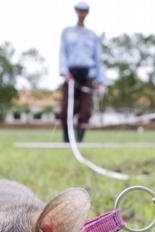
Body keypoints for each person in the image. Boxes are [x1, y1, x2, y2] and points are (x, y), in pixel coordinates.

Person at [59, 1, 105, 143]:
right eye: (79, 10)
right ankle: (67, 141)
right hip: (71, 75)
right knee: (67, 108)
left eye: (84, 11)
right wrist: (64, 72)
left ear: (87, 13)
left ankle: (79, 141)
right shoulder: (67, 32)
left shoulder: (92, 36)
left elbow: (98, 58)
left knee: (85, 110)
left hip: (88, 75)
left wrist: (100, 81)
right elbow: (63, 53)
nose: (81, 13)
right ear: (76, 11)